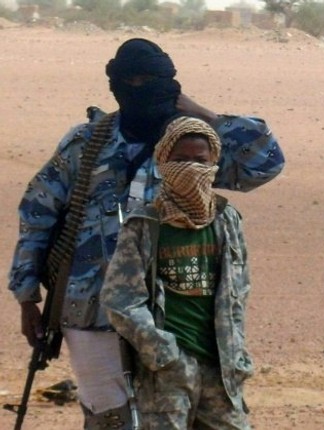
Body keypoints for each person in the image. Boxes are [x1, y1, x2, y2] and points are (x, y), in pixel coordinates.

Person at [8, 38, 284, 428]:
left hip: (174, 316)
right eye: (131, 79)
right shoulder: (86, 143)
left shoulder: (189, 146)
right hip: (91, 307)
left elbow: (266, 163)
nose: (141, 87)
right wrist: (26, 298)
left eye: (152, 80)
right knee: (111, 418)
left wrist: (200, 112)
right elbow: (38, 213)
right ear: (116, 84)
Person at [101, 116, 252, 429]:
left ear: (214, 163)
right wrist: (163, 352)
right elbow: (120, 299)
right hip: (166, 373)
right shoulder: (145, 225)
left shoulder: (227, 222)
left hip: (220, 367)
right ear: (163, 161)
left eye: (201, 160)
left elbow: (239, 292)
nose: (192, 168)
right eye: (180, 160)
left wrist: (237, 355)